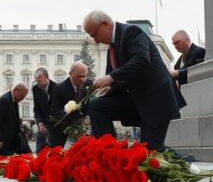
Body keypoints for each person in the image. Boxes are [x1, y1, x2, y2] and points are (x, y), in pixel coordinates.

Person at [85, 10, 185, 152]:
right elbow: (120, 78)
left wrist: (110, 78)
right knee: (96, 105)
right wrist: (111, 87)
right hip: (137, 100)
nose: (94, 40)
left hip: (156, 101)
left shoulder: (132, 32)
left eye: (94, 34)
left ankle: (189, 165)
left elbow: (141, 61)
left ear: (105, 24)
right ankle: (110, 153)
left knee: (151, 152)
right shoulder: (112, 47)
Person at [48, 62, 92, 147]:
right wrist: (70, 116)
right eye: (79, 76)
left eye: (84, 76)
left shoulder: (84, 89)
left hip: (78, 129)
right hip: (60, 129)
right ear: (70, 74)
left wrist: (85, 118)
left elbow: (85, 107)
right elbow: (55, 110)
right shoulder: (59, 88)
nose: (82, 79)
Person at [0, 82, 31, 156]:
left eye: (24, 97)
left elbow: (15, 121)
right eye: (22, 96)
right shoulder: (4, 101)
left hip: (6, 140)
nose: (22, 99)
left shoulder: (13, 101)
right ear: (16, 90)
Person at [31, 68, 56, 152]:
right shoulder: (35, 89)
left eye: (39, 80)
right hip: (42, 128)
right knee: (40, 153)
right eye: (36, 81)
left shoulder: (57, 88)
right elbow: (36, 109)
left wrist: (50, 126)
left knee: (54, 154)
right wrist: (40, 123)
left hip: (55, 127)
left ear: (46, 77)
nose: (38, 84)